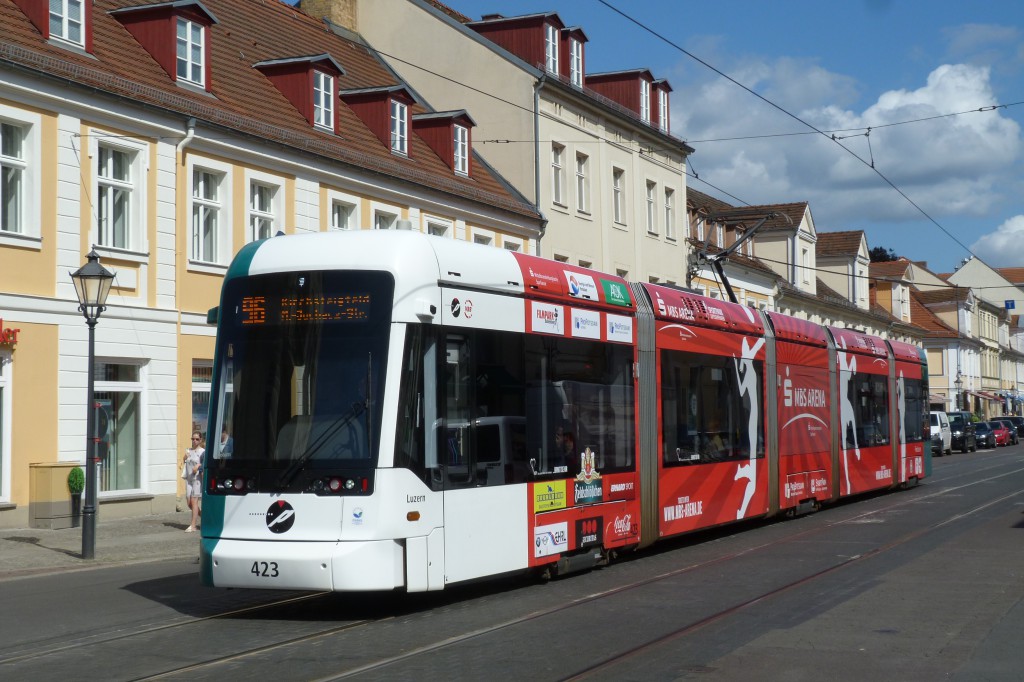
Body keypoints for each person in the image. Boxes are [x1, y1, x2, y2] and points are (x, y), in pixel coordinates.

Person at [182, 431, 204, 532]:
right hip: (189, 479)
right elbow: (185, 462)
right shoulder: (188, 450)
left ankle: (193, 526)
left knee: (194, 502)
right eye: (193, 439)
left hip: (197, 479)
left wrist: (199, 466)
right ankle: (205, 518)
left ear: (200, 440)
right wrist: (184, 458)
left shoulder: (203, 452)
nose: (194, 441)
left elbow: (204, 464)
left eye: (197, 439)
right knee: (189, 503)